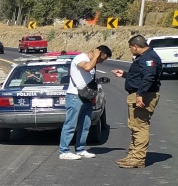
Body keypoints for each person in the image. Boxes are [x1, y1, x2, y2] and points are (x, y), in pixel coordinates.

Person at [111, 34, 164, 168]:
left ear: (135, 46)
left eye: (130, 48)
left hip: (144, 95)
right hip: (140, 93)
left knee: (140, 127)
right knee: (135, 126)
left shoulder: (149, 57)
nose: (130, 50)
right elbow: (140, 76)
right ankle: (133, 156)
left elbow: (149, 76)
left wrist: (140, 94)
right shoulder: (145, 57)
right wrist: (124, 75)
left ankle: (138, 158)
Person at [59, 45, 112, 160]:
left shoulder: (93, 63)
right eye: (101, 59)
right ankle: (64, 151)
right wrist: (95, 57)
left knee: (85, 124)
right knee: (71, 124)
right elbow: (87, 67)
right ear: (97, 52)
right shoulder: (81, 58)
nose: (101, 62)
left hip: (87, 97)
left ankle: (80, 149)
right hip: (75, 96)